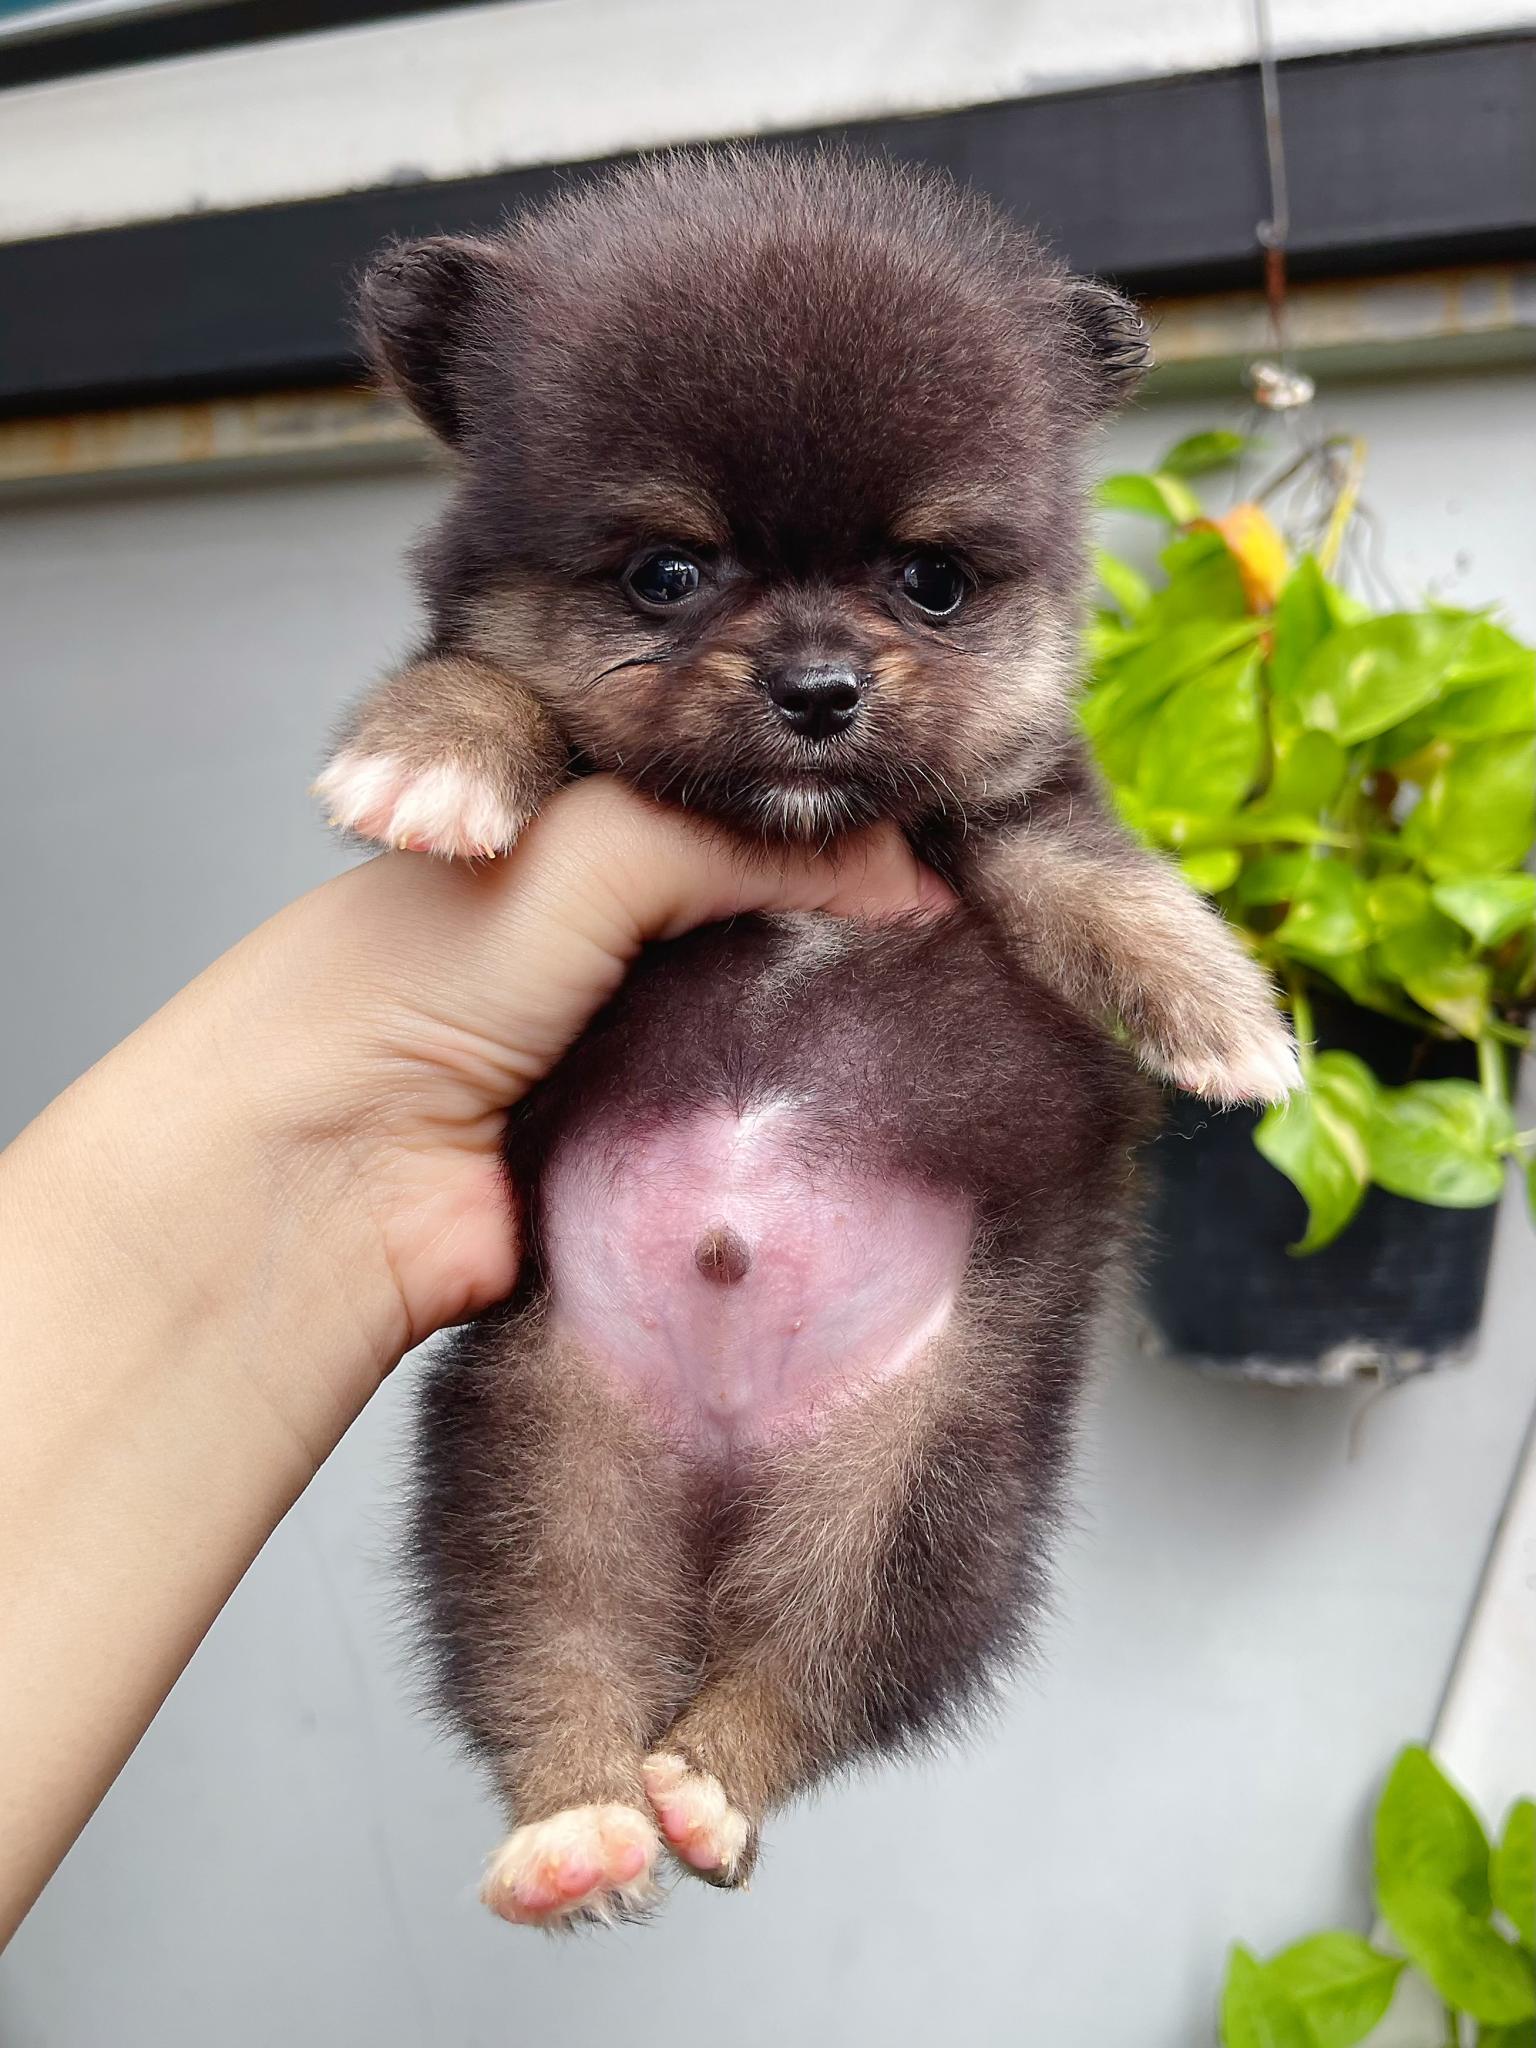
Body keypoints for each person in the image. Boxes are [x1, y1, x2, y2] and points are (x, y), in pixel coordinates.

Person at [0, 776, 947, 1944]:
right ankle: (571, 1769)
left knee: (901, 1477)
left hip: (894, 1299)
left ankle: (747, 1741)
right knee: (554, 1476)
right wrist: (481, 742)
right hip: (594, 1280)